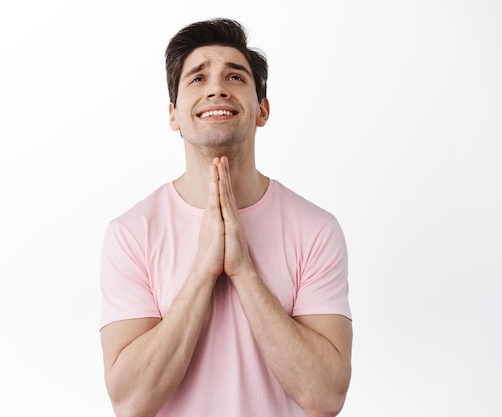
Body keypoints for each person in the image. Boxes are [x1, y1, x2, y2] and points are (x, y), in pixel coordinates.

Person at [99, 18, 352, 417]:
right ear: (174, 114)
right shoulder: (131, 233)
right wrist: (202, 270)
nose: (216, 88)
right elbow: (130, 401)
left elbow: (326, 396)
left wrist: (243, 271)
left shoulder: (315, 229)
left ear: (262, 109)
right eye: (197, 79)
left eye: (235, 76)